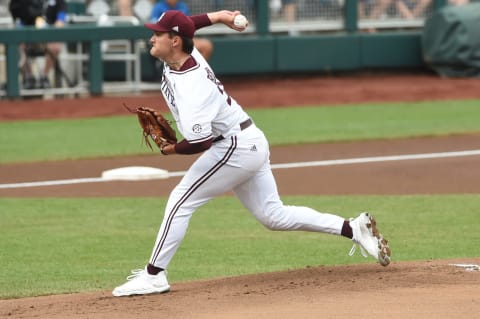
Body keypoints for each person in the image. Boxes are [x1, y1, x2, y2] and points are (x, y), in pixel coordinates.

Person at [112, 9, 392, 297]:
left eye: (158, 34)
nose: (151, 38)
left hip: (232, 147)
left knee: (180, 201)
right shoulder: (183, 53)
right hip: (249, 140)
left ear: (174, 41)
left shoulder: (192, 85)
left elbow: (201, 142)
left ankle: (154, 275)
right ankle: (353, 228)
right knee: (273, 215)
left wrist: (170, 149)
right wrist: (220, 16)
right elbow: (189, 25)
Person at [9, 0, 67, 89]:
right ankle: (28, 77)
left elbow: (61, 19)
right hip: (28, 37)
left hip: (49, 37)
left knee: (55, 46)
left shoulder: (57, 2)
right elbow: (19, 21)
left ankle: (44, 76)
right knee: (17, 45)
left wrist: (51, 32)